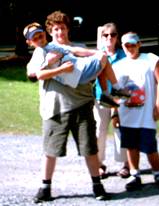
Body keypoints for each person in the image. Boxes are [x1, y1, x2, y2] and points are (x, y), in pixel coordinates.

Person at [27, 10, 112, 203]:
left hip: (82, 104)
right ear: (50, 31)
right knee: (50, 150)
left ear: (67, 29)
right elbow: (32, 75)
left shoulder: (79, 48)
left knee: (90, 148)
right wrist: (54, 67)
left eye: (63, 28)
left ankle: (97, 185)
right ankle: (45, 187)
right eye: (56, 29)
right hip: (54, 108)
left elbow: (96, 68)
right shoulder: (42, 51)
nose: (60, 33)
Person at [24, 22, 130, 108]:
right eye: (35, 39)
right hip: (78, 74)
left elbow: (74, 50)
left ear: (44, 33)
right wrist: (56, 67)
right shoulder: (39, 52)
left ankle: (106, 95)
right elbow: (35, 74)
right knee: (103, 58)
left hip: (80, 68)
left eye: (40, 35)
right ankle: (114, 89)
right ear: (29, 42)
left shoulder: (52, 45)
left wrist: (95, 52)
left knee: (102, 59)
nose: (39, 39)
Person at [113, 31, 159, 191]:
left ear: (139, 44)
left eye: (133, 44)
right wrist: (115, 113)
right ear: (122, 46)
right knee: (131, 146)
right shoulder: (118, 66)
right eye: (126, 45)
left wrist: (158, 105)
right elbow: (116, 92)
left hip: (146, 114)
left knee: (150, 146)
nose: (130, 47)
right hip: (127, 113)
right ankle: (134, 175)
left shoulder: (150, 59)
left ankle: (158, 174)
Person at [93, 22, 130, 178]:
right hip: (100, 98)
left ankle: (125, 165)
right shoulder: (97, 54)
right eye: (106, 35)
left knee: (120, 130)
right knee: (99, 131)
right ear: (101, 37)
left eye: (113, 35)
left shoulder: (123, 55)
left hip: (120, 99)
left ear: (117, 37)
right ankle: (99, 164)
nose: (109, 38)